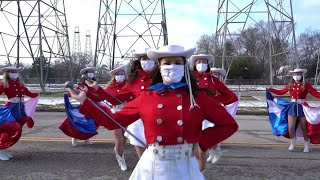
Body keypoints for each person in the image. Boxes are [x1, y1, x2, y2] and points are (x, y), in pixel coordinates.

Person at [67, 45, 238, 180]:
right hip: (152, 165)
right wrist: (85, 102)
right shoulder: (147, 97)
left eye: (178, 63)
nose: (173, 66)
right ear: (160, 67)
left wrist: (201, 141)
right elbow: (114, 120)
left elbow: (228, 124)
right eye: (167, 62)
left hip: (185, 165)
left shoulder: (197, 97)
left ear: (185, 67)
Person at [94, 48, 155, 159]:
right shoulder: (133, 81)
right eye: (143, 58)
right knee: (142, 155)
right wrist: (98, 89)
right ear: (139, 62)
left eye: (149, 58)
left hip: (161, 120)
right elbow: (115, 99)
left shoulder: (163, 77)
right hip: (138, 120)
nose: (146, 61)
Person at [190, 54, 238, 170]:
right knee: (192, 147)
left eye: (204, 61)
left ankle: (200, 172)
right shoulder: (189, 78)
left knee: (202, 146)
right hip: (193, 113)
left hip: (208, 114)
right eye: (198, 61)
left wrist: (219, 102)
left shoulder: (213, 79)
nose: (201, 64)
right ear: (194, 65)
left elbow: (232, 96)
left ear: (207, 65)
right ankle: (212, 152)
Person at [268, 68, 320, 152]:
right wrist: (270, 89)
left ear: (302, 75)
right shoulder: (290, 84)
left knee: (304, 127)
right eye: (295, 74)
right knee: (291, 127)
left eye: (298, 74)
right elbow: (281, 92)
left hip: (302, 107)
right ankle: (292, 143)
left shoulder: (306, 85)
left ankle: (307, 144)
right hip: (292, 106)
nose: (296, 76)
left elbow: (315, 93)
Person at [0, 66, 39, 161]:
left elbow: (29, 93)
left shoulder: (19, 84)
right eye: (13, 72)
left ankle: (5, 149)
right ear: (8, 74)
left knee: (15, 130)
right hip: (11, 108)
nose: (15, 73)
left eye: (15, 71)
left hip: (20, 109)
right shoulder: (5, 84)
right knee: (8, 130)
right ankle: (1, 150)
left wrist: (36, 95)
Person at [105, 65, 133, 171]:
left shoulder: (129, 86)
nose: (119, 76)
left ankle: (118, 151)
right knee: (119, 140)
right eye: (117, 74)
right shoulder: (110, 88)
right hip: (115, 114)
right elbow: (104, 99)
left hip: (127, 113)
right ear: (114, 76)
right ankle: (121, 160)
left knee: (125, 138)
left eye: (121, 74)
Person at [68, 67, 100, 146]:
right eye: (89, 72)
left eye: (92, 72)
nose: (91, 73)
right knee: (81, 123)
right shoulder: (81, 86)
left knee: (91, 124)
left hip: (93, 107)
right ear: (85, 75)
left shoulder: (94, 84)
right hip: (83, 108)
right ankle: (74, 138)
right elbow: (77, 95)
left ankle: (86, 139)